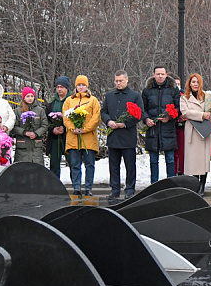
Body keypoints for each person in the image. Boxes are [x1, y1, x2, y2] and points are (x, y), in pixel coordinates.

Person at [102, 70, 145, 201]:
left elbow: (140, 114)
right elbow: (103, 111)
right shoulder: (109, 96)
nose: (118, 83)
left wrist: (125, 123)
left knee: (130, 166)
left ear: (127, 80)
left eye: (121, 81)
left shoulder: (135, 95)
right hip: (113, 136)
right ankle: (115, 189)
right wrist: (108, 121)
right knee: (113, 165)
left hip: (127, 136)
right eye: (116, 81)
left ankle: (129, 189)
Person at [180, 73, 211, 196]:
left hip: (204, 131)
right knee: (194, 161)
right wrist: (202, 115)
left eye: (197, 82)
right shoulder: (184, 97)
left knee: (203, 160)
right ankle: (195, 184)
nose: (195, 84)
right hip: (192, 130)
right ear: (189, 84)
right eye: (193, 82)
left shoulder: (207, 96)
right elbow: (186, 112)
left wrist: (209, 114)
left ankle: (202, 185)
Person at [63, 75, 101, 196]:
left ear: (87, 86)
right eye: (79, 85)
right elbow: (66, 117)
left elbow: (96, 117)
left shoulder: (93, 100)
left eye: (83, 85)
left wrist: (85, 129)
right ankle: (77, 187)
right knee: (75, 164)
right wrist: (73, 128)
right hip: (73, 138)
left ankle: (88, 188)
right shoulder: (69, 100)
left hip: (88, 138)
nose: (81, 87)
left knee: (89, 164)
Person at [142, 66, 179, 184]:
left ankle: (171, 184)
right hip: (152, 129)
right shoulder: (147, 90)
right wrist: (146, 119)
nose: (160, 76)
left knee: (170, 160)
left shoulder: (173, 89)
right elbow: (142, 109)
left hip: (168, 129)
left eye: (162, 74)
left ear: (166, 75)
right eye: (158, 74)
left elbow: (179, 108)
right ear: (154, 75)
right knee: (153, 161)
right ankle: (154, 184)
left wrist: (170, 117)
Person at [12, 87, 48, 164]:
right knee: (22, 170)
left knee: (37, 169)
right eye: (27, 96)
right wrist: (24, 132)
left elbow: (45, 125)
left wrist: (36, 133)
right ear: (24, 97)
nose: (30, 98)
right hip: (22, 147)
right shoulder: (18, 111)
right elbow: (14, 126)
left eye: (32, 96)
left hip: (36, 147)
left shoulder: (40, 110)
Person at [46, 76, 71, 179]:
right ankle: (54, 185)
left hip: (69, 137)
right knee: (54, 163)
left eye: (62, 87)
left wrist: (64, 128)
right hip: (54, 137)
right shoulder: (51, 102)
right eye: (57, 87)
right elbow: (46, 119)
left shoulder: (71, 100)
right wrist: (52, 129)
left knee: (72, 163)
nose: (59, 89)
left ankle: (76, 187)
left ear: (67, 88)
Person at [171, 75, 186, 176]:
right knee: (173, 153)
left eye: (178, 84)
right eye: (175, 84)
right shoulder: (169, 94)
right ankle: (174, 172)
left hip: (182, 126)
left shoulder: (184, 95)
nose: (177, 86)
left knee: (182, 151)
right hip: (171, 126)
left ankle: (183, 172)